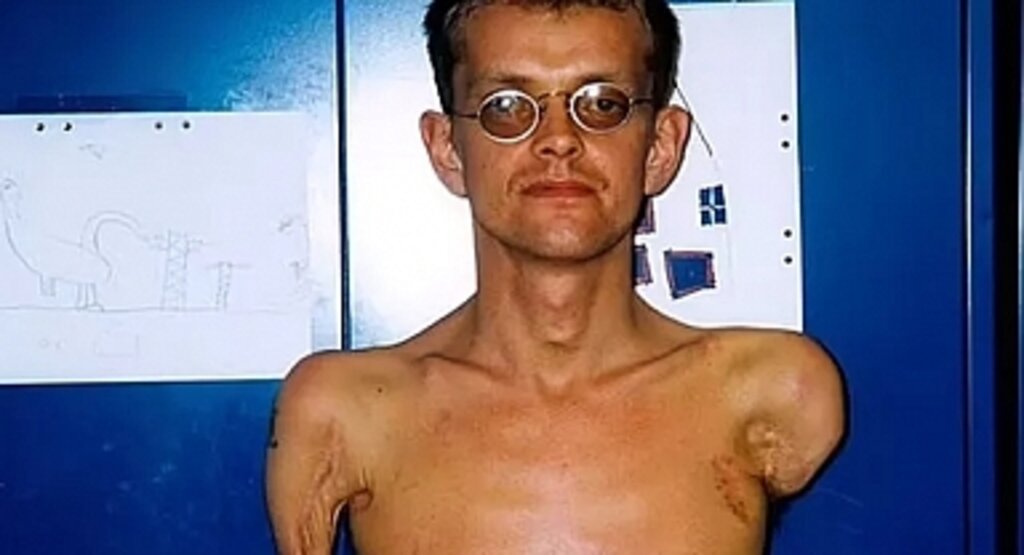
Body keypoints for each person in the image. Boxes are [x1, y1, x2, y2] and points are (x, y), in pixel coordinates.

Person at [266, 1, 845, 553]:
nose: (559, 140)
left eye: (601, 104)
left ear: (660, 148)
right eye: (507, 106)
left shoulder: (774, 393)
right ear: (447, 149)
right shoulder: (344, 413)